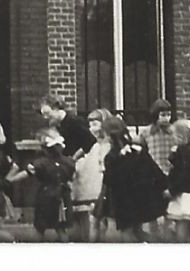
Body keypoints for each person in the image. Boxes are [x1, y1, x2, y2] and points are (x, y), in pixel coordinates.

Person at [100, 113, 164, 241]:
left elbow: (109, 180)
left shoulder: (112, 157)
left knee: (126, 232)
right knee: (138, 230)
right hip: (141, 196)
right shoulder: (138, 150)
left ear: (108, 136)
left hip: (123, 200)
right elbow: (155, 172)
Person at [20, 127, 76, 241]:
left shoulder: (40, 163)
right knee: (61, 229)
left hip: (46, 195)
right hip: (63, 195)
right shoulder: (69, 162)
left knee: (40, 228)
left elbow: (27, 173)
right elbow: (72, 177)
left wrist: (10, 178)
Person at [70, 109, 112, 242]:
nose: (92, 128)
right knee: (86, 215)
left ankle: (99, 240)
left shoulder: (106, 145)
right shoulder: (88, 144)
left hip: (98, 181)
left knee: (98, 216)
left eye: (95, 124)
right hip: (86, 180)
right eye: (90, 124)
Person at [142, 98, 177, 178]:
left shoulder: (174, 130)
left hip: (170, 169)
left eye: (169, 115)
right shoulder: (148, 131)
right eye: (163, 115)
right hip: (154, 170)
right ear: (156, 115)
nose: (166, 118)